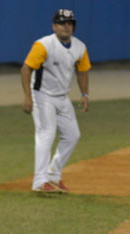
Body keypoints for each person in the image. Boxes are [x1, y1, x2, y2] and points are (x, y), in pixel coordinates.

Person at [21, 9, 91, 194]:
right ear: (54, 26)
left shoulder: (79, 47)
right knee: (46, 133)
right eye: (62, 23)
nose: (66, 27)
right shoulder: (44, 45)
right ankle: (39, 181)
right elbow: (26, 69)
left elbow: (82, 71)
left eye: (70, 23)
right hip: (42, 96)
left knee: (72, 135)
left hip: (62, 97)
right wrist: (28, 97)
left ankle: (53, 174)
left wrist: (85, 94)